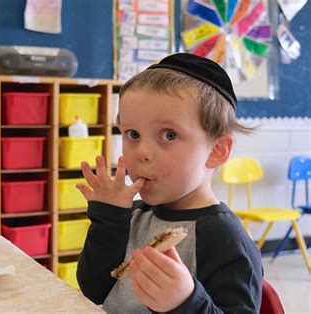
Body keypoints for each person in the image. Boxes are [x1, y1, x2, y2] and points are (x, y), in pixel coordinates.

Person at [76, 53, 263, 313]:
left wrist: (187, 301)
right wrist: (107, 220)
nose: (142, 152)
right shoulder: (133, 214)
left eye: (169, 135)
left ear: (216, 150)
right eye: (132, 134)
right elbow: (94, 289)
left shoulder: (225, 239)